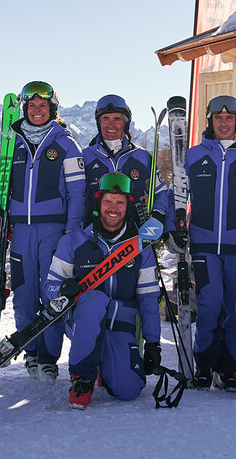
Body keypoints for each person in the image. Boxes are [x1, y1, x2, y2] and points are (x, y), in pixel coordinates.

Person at [0, 81, 85, 383]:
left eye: (43, 106)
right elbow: (1, 185)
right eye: (32, 106)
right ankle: (31, 351)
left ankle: (49, 358)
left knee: (52, 296)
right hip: (21, 231)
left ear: (52, 110)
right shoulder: (13, 143)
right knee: (24, 296)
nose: (37, 110)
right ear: (24, 108)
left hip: (54, 230)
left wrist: (72, 233)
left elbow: (77, 193)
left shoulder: (67, 144)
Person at [45, 172, 161, 409]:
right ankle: (82, 378)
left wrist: (152, 343)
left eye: (120, 203)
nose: (113, 208)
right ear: (98, 202)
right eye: (108, 201)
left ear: (128, 206)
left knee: (129, 390)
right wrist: (63, 289)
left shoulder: (140, 247)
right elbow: (50, 286)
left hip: (119, 324)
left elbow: (149, 299)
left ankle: (105, 366)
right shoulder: (75, 240)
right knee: (95, 299)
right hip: (82, 322)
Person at [182, 95, 236, 389]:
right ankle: (205, 365)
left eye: (229, 118)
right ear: (211, 120)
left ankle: (227, 366)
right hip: (204, 245)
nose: (223, 123)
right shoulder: (193, 156)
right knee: (210, 303)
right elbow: (179, 199)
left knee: (234, 307)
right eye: (218, 118)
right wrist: (176, 228)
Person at [81, 94, 173, 235]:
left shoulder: (142, 157)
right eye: (105, 119)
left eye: (117, 119)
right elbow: (75, 196)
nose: (111, 125)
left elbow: (160, 192)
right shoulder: (85, 156)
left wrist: (158, 215)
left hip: (135, 235)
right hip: (94, 236)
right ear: (99, 123)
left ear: (126, 124)